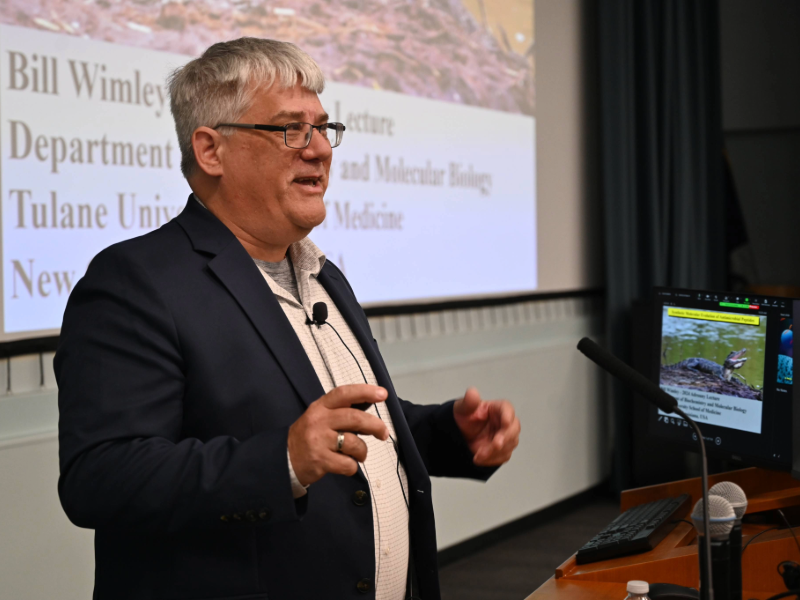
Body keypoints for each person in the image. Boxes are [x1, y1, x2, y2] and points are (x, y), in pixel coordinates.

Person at [55, 38, 521, 600]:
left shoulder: (323, 275)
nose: (319, 149)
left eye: (323, 128)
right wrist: (282, 461)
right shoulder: (137, 281)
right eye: (289, 129)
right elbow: (100, 478)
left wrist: (448, 434)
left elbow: (341, 428)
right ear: (210, 151)